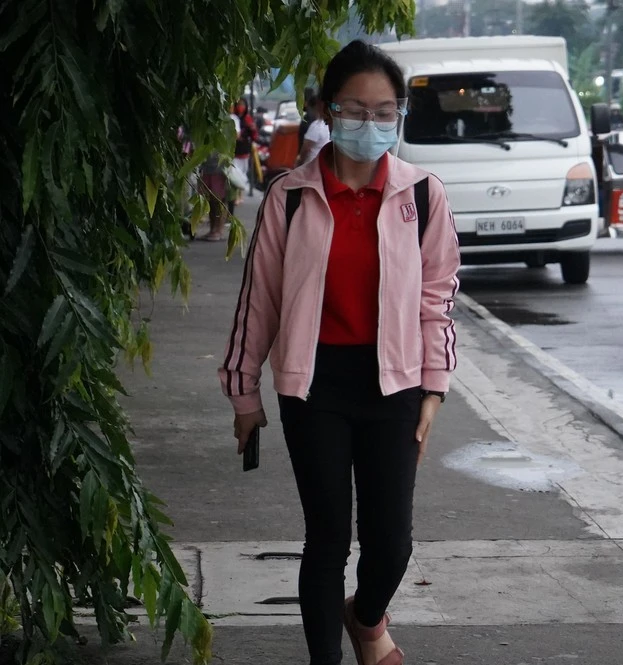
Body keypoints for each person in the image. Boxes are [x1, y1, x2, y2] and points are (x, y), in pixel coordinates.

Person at [218, 40, 461, 665]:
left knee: (392, 546)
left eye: (386, 111)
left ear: (400, 114)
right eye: (355, 109)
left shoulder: (422, 197)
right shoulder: (290, 197)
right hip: (314, 386)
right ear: (327, 110)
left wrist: (433, 388)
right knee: (327, 541)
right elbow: (259, 301)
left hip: (395, 386)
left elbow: (438, 300)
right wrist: (244, 394)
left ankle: (367, 616)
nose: (371, 123)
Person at [232, 99, 259, 202]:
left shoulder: (248, 119)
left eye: (242, 105)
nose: (240, 107)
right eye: (238, 104)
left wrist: (252, 129)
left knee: (242, 173)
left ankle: (240, 195)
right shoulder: (233, 118)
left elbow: (254, 135)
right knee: (235, 173)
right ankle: (236, 196)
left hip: (245, 151)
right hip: (234, 151)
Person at [296, 95, 332, 166]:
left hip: (311, 165)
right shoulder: (329, 125)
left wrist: (299, 163)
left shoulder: (316, 126)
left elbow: (306, 149)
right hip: (324, 164)